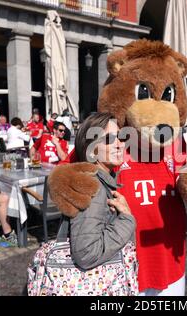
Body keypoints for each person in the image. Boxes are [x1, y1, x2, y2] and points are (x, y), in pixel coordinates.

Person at [51, 112, 137, 293]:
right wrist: (126, 220)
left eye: (121, 137)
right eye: (109, 139)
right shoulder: (94, 187)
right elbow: (86, 253)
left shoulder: (101, 181)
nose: (119, 144)